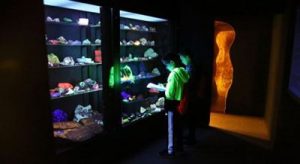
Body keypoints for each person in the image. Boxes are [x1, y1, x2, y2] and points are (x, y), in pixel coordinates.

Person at [159, 52, 189, 158]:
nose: (166, 67)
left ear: (172, 62)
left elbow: (170, 94)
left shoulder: (173, 73)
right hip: (179, 103)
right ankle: (179, 148)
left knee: (171, 128)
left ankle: (171, 151)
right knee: (178, 127)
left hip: (172, 104)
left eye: (166, 65)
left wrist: (162, 89)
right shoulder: (183, 71)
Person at [178, 49, 198, 145]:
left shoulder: (191, 67)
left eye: (182, 58)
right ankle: (190, 136)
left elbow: (188, 81)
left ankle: (191, 138)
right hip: (192, 94)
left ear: (187, 57)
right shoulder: (191, 66)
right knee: (190, 117)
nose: (181, 60)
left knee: (190, 116)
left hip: (190, 95)